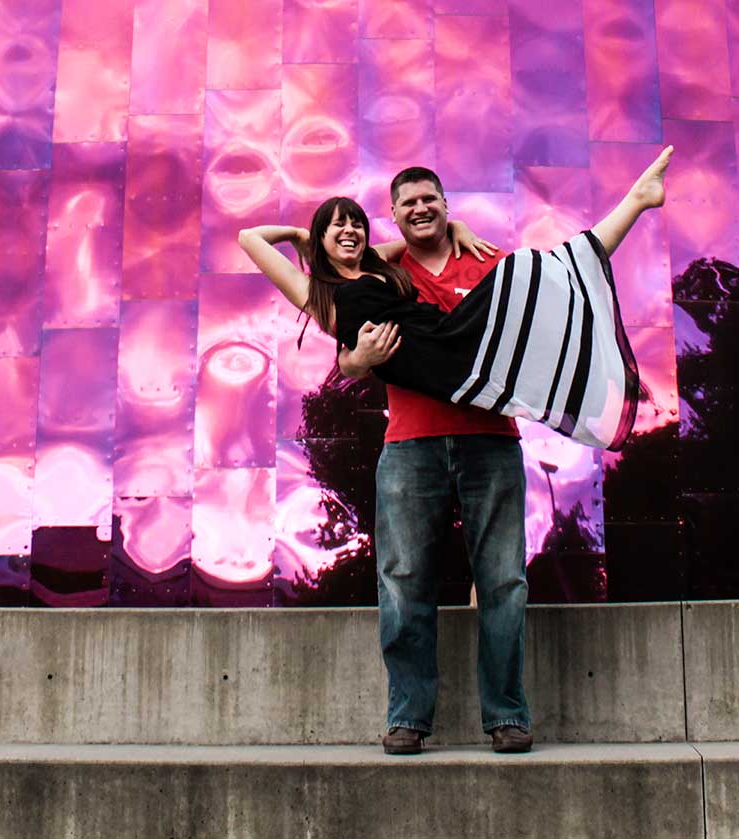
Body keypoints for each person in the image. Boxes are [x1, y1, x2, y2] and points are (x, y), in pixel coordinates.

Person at [237, 147, 672, 754]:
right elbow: (339, 342)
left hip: (489, 439)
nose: (419, 210)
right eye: (407, 204)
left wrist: (462, 231)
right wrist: (354, 360)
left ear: (445, 207)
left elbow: (550, 291)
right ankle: (409, 716)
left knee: (503, 582)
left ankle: (506, 715)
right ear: (394, 215)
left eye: (429, 201)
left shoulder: (477, 259)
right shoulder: (384, 274)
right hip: (411, 445)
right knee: (404, 581)